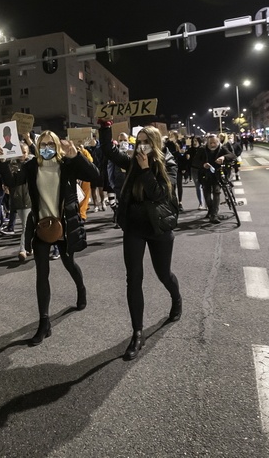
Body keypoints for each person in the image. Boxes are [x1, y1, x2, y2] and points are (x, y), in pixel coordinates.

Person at [0, 130, 99, 346]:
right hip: (42, 227)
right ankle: (44, 323)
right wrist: (2, 161)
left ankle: (81, 289)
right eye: (42, 144)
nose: (46, 148)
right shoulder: (32, 166)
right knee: (41, 274)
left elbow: (95, 176)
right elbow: (13, 181)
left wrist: (76, 156)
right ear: (37, 146)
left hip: (65, 224)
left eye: (50, 144)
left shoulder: (67, 164)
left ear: (57, 145)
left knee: (69, 263)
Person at [101, 123, 182, 361]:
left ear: (155, 143)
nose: (142, 145)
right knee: (133, 278)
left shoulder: (169, 163)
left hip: (158, 227)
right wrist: (105, 126)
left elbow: (160, 195)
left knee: (163, 273)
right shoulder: (133, 160)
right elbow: (108, 151)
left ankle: (176, 299)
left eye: (147, 141)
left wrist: (147, 170)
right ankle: (137, 333)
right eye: (139, 141)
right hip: (134, 227)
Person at [190, 134, 233, 224]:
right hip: (205, 175)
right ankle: (210, 210)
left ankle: (214, 215)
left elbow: (232, 155)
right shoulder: (202, 149)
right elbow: (195, 161)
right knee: (207, 194)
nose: (213, 145)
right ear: (207, 143)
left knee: (217, 192)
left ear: (218, 142)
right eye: (211, 143)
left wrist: (223, 157)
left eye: (214, 142)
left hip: (218, 174)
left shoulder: (222, 148)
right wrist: (203, 164)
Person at [186, 136, 206, 210]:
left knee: (205, 186)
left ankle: (207, 203)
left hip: (202, 169)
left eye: (196, 140)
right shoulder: (190, 149)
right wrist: (186, 156)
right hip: (194, 169)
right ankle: (201, 203)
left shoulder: (203, 149)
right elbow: (187, 160)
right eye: (193, 140)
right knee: (198, 187)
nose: (194, 142)